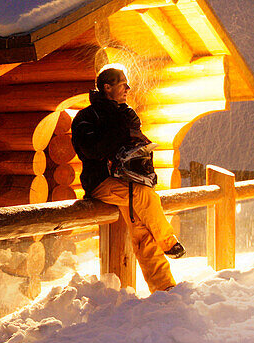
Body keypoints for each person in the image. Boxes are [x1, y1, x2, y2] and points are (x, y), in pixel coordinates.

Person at [71, 64, 185, 292]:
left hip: (129, 180)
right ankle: (168, 242)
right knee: (144, 196)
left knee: (142, 231)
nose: (128, 89)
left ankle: (164, 289)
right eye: (123, 84)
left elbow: (130, 144)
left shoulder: (126, 113)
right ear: (107, 87)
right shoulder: (87, 117)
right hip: (101, 182)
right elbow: (92, 150)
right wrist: (122, 133)